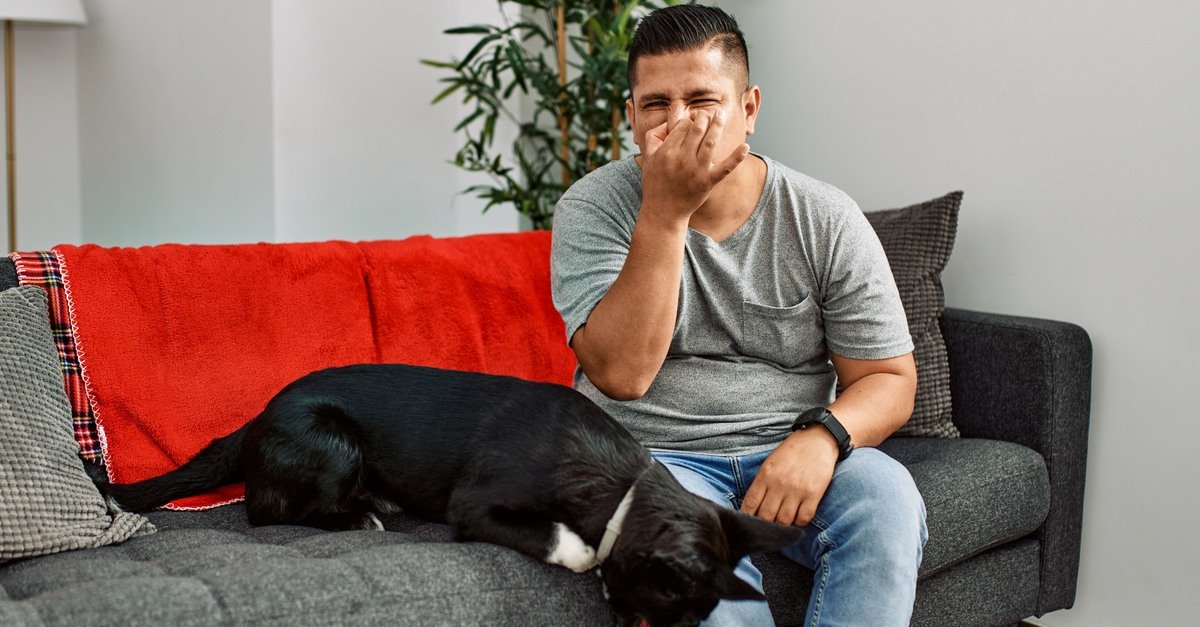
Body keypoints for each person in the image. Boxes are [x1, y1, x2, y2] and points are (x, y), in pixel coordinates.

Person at [550, 4, 927, 626]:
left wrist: (823, 437)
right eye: (655, 105)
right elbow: (623, 374)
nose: (677, 124)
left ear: (749, 109)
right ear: (631, 117)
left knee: (886, 498)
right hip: (647, 453)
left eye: (702, 100)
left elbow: (889, 379)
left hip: (789, 441)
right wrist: (666, 214)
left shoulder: (824, 217)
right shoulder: (593, 207)